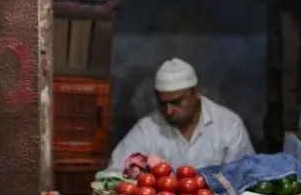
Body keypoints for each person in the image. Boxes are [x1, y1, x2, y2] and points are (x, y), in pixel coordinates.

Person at [108, 58, 254, 171]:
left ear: (196, 93)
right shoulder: (146, 130)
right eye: (163, 104)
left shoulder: (229, 125)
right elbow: (113, 175)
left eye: (176, 102)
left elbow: (247, 178)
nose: (169, 111)